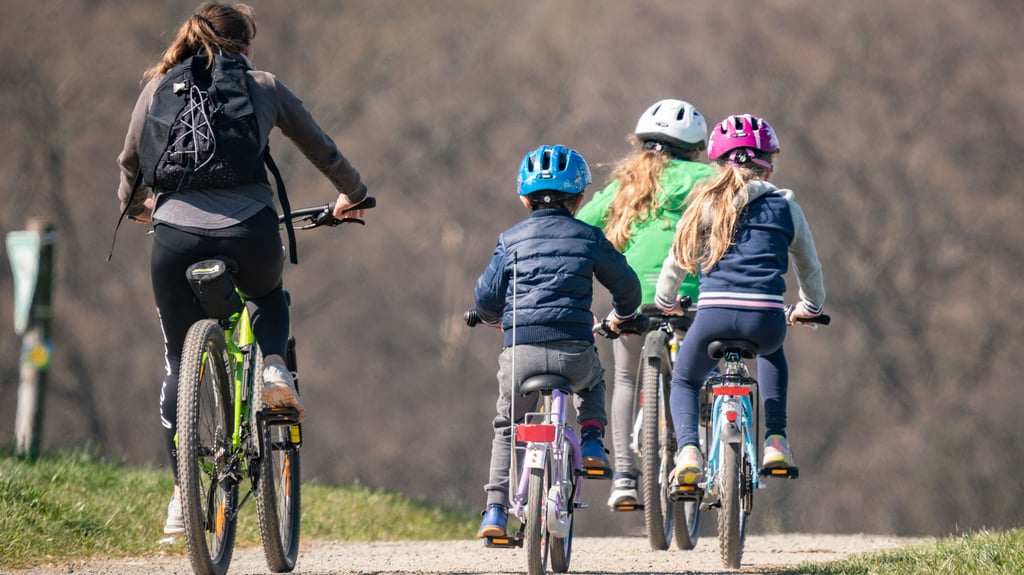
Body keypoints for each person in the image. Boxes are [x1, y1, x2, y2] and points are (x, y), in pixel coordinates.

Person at [115, 2, 368, 536]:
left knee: (178, 361)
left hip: (174, 238)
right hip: (251, 231)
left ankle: (184, 497)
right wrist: (352, 194)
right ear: (245, 46)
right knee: (270, 298)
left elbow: (130, 166)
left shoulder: (159, 87)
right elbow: (322, 148)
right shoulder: (263, 85)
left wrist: (143, 209)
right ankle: (274, 365)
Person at [473, 145, 642, 538]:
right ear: (580, 198)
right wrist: (621, 315)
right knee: (596, 381)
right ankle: (593, 441)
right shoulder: (589, 237)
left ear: (523, 197)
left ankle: (495, 511)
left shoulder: (509, 239)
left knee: (507, 426)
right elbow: (628, 288)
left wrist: (493, 319)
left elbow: (485, 299)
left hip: (522, 355)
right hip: (574, 351)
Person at [654, 114, 825, 486]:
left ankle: (688, 453)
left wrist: (665, 300)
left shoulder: (704, 205)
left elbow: (676, 261)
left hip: (712, 316)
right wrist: (810, 307)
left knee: (684, 380)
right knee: (772, 352)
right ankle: (775, 440)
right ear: (769, 165)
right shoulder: (785, 206)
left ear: (716, 164)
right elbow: (809, 267)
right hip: (765, 319)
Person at [576, 99, 714, 509]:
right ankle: (697, 442)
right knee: (696, 377)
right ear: (695, 148)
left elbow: (581, 226)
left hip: (632, 298)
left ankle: (623, 478)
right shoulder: (709, 178)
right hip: (689, 296)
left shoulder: (625, 184)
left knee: (624, 379)